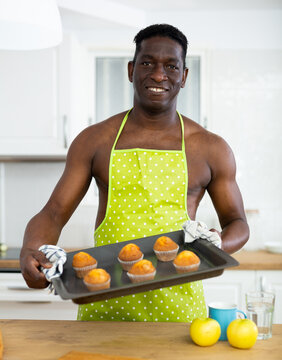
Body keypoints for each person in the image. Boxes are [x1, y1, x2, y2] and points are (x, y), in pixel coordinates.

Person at [20, 24, 249, 322]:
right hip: (104, 309)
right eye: (147, 63)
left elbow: (237, 223)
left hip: (178, 314)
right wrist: (29, 249)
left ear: (184, 76)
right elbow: (53, 213)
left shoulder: (210, 148)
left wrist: (217, 243)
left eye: (171, 66)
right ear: (131, 70)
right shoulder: (95, 140)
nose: (158, 74)